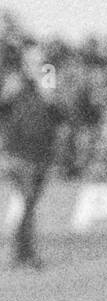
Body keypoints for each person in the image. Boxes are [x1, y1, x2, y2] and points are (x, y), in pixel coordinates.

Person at [2, 39, 60, 270]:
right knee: (25, 202)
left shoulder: (48, 75)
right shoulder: (14, 79)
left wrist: (39, 79)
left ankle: (23, 253)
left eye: (40, 57)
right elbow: (3, 103)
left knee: (30, 204)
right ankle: (22, 254)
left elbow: (53, 102)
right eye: (33, 57)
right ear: (25, 59)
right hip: (18, 152)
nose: (38, 60)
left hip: (42, 153)